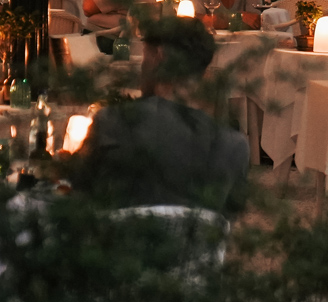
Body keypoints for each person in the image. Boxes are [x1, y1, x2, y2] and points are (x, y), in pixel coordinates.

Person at [70, 17, 248, 211]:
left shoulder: (113, 121)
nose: (142, 68)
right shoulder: (234, 146)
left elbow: (79, 193)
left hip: (121, 238)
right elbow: (227, 218)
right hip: (194, 241)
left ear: (158, 56)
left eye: (145, 56)